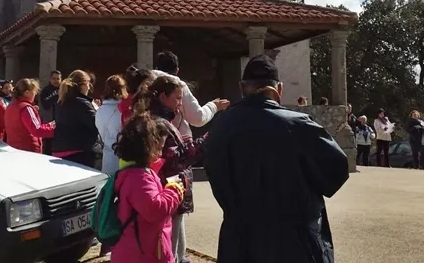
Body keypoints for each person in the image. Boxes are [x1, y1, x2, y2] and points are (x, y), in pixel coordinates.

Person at [204, 55, 349, 263]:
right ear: (279, 89)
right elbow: (336, 171)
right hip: (293, 244)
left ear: (242, 87)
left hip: (237, 243)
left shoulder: (220, 127)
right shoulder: (298, 125)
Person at [132, 75, 207, 263]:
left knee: (175, 236)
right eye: (177, 97)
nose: (180, 103)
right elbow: (176, 159)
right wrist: (205, 141)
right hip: (168, 190)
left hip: (171, 191)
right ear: (163, 97)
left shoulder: (160, 119)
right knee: (167, 246)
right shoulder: (159, 123)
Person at [110, 114, 185, 263]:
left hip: (137, 250)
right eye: (158, 145)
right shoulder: (139, 178)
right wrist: (175, 189)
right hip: (142, 255)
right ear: (147, 146)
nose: (160, 150)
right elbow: (155, 209)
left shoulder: (131, 172)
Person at [150, 51, 230, 141]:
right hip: (174, 146)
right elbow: (197, 118)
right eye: (178, 98)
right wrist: (213, 106)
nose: (180, 104)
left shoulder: (145, 84)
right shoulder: (178, 85)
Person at [52, 70, 99, 167]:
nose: (89, 87)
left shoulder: (61, 102)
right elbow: (96, 125)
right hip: (79, 152)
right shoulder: (82, 103)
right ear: (82, 85)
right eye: (88, 83)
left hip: (60, 150)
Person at [4, 78, 55, 153]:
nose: (35, 94)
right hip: (28, 150)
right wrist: (56, 131)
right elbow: (36, 130)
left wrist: (48, 126)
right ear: (27, 93)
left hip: (15, 148)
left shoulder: (12, 105)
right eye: (34, 92)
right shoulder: (26, 108)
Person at [97, 74, 128, 175]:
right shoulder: (124, 110)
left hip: (107, 155)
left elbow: (101, 132)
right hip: (123, 158)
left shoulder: (100, 110)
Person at [38, 70, 63, 155]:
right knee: (48, 149)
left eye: (58, 79)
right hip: (50, 124)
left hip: (62, 124)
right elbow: (45, 105)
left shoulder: (64, 90)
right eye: (54, 78)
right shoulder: (46, 91)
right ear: (50, 79)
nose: (56, 81)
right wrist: (55, 95)